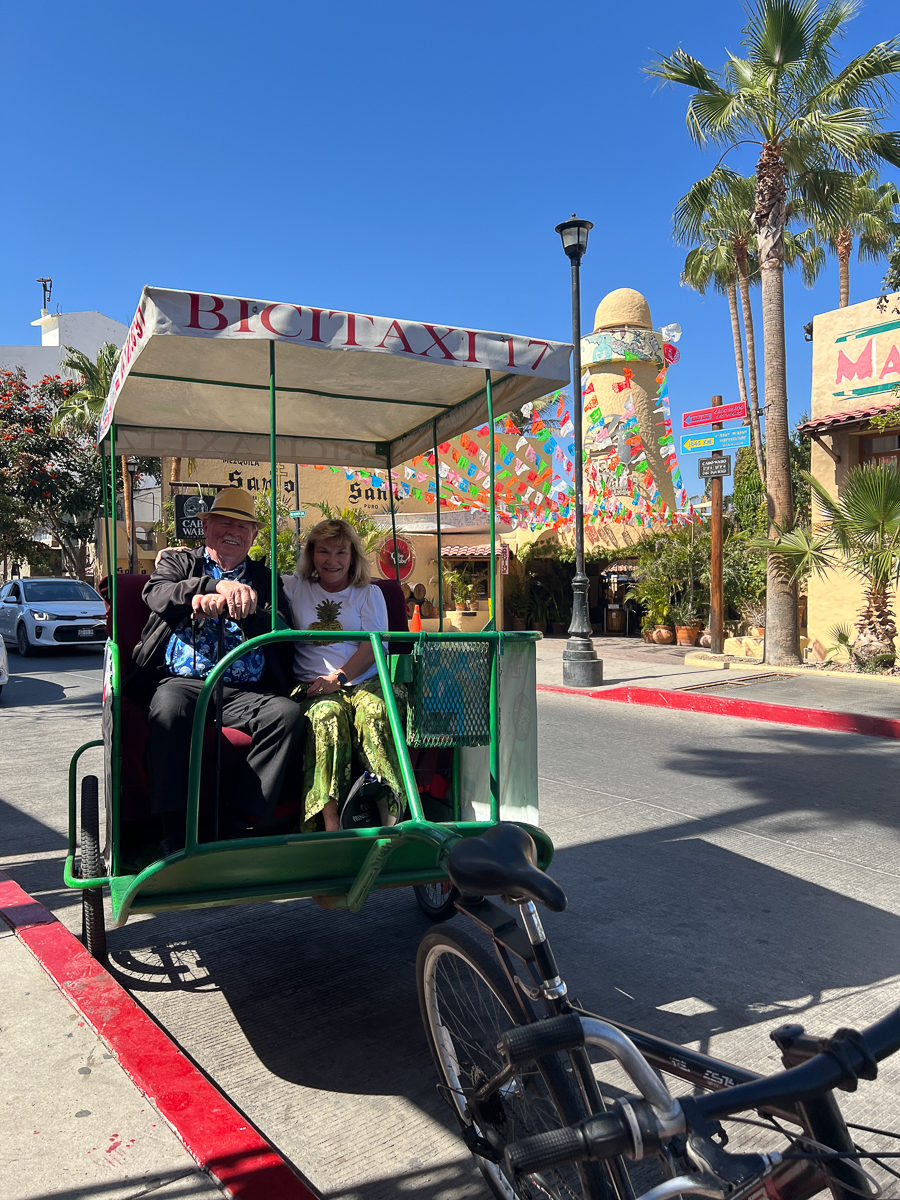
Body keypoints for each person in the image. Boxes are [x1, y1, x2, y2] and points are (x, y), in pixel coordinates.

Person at [128, 487, 303, 851]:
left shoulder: (265, 577)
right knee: (167, 709)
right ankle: (174, 830)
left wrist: (253, 611)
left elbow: (283, 627)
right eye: (224, 522)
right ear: (205, 527)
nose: (233, 531)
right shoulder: (179, 563)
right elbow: (156, 593)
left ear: (253, 536)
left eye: (243, 526)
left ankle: (239, 822)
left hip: (244, 691)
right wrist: (206, 590)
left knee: (286, 715)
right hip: (184, 682)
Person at [283, 518, 406, 831]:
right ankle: (330, 824)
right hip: (313, 686)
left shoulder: (368, 594)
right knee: (328, 717)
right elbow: (250, 579)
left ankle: (390, 811)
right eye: (324, 552)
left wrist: (336, 679)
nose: (332, 561)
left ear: (353, 556)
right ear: (312, 555)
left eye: (341, 553)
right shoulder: (295, 587)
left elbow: (371, 648)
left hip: (362, 681)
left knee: (377, 713)